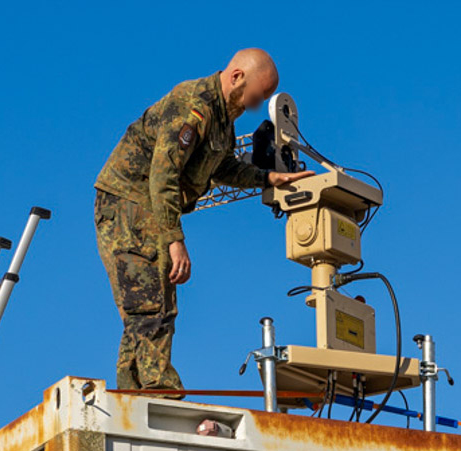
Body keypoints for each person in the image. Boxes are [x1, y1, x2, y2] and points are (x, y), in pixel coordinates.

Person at [94, 48, 314, 394]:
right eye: (256, 97)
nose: (255, 107)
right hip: (129, 203)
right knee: (151, 304)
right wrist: (174, 239)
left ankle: (134, 388)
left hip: (146, 206)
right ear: (237, 76)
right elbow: (163, 174)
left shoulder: (223, 118)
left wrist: (266, 178)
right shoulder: (193, 105)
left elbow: (222, 167)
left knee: (151, 305)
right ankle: (156, 386)